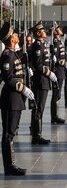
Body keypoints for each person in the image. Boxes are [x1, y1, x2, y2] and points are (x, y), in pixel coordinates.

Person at [1, 22, 34, 175]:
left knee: (11, 132)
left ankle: (11, 165)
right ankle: (9, 166)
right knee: (8, 134)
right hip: (10, 99)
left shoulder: (13, 53)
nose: (17, 36)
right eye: (15, 35)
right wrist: (24, 89)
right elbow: (8, 79)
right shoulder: (7, 55)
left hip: (16, 99)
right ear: (11, 39)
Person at [29, 21, 58, 145]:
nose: (45, 32)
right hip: (40, 80)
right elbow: (39, 65)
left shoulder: (43, 44)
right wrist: (49, 74)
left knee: (39, 108)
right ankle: (36, 136)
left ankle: (36, 133)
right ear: (37, 33)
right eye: (42, 30)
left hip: (43, 80)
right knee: (38, 108)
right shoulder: (37, 46)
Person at [50, 24, 67, 124]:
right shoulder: (55, 42)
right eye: (58, 28)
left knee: (58, 95)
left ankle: (56, 115)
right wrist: (64, 63)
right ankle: (54, 116)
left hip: (61, 71)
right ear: (54, 32)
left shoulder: (59, 41)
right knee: (56, 94)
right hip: (58, 71)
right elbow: (54, 58)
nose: (61, 29)